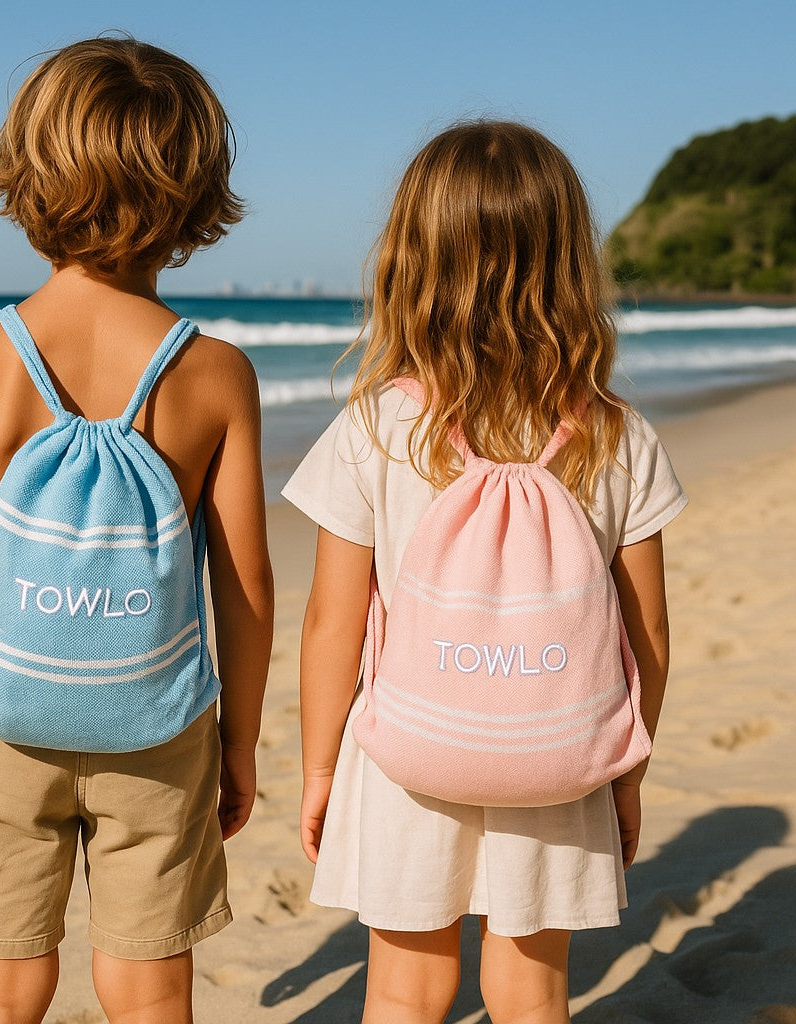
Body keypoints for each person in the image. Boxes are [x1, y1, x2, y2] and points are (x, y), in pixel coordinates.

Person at [0, 37, 273, 1024]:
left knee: (0, 981)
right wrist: (238, 741)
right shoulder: (215, 374)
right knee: (149, 988)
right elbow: (243, 584)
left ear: (29, 172)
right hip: (156, 723)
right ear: (193, 191)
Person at [282, 121, 687, 1024]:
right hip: (558, 754)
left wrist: (319, 770)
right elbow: (647, 633)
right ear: (571, 264)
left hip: (407, 755)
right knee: (532, 992)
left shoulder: (378, 428)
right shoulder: (618, 437)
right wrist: (627, 771)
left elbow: (330, 624)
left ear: (411, 261)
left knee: (404, 987)